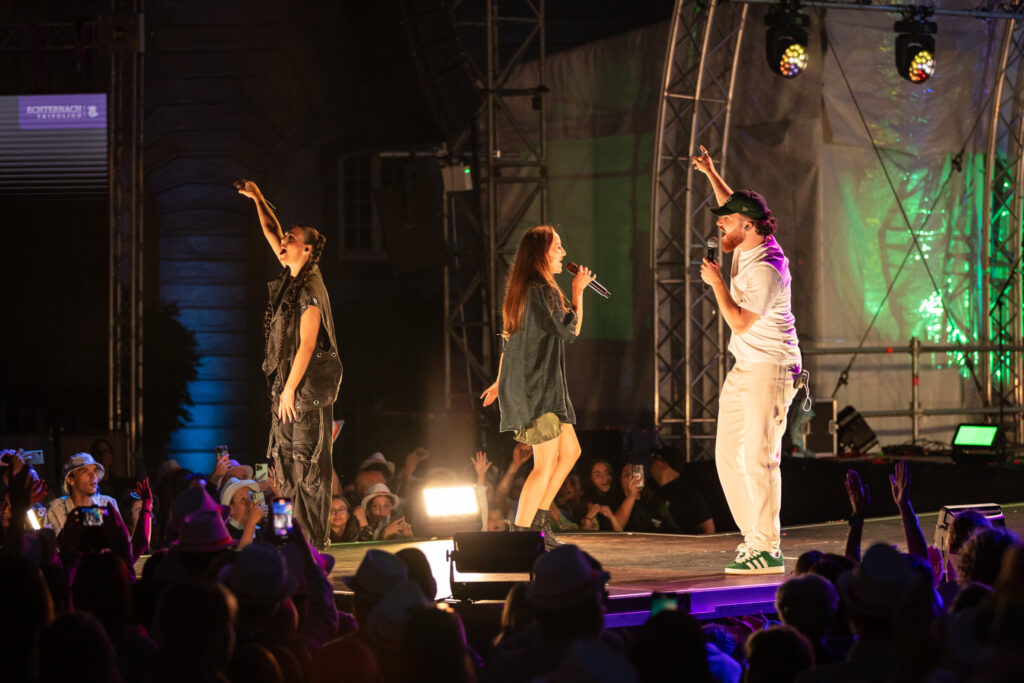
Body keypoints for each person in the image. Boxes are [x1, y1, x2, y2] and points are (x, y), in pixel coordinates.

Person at [692, 145, 801, 574]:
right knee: (726, 456)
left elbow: (738, 321)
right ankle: (754, 538)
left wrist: (717, 282)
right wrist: (711, 171)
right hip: (745, 369)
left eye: (727, 222)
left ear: (749, 227)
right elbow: (728, 201)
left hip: (771, 370)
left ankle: (768, 546)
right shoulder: (745, 240)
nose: (720, 223)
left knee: (759, 456)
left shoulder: (766, 268)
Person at [238, 179, 343, 549]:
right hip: (285, 393)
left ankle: (310, 547)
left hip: (304, 396)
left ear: (308, 249)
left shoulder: (311, 289)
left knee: (308, 473)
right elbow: (271, 230)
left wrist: (289, 390)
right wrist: (258, 198)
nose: (283, 242)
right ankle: (284, 539)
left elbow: (309, 344)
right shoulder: (291, 276)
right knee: (282, 473)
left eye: (292, 239)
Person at [480, 225, 596, 547]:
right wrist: (578, 291)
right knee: (544, 464)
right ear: (542, 252)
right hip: (538, 389)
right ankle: (520, 538)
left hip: (541, 387)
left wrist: (499, 381)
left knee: (571, 452)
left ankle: (539, 525)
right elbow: (570, 331)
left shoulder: (523, 289)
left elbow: (509, 342)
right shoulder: (542, 290)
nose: (563, 253)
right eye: (557, 247)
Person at [46, 453, 121, 535]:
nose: (93, 476)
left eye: (95, 471)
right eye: (85, 471)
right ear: (70, 480)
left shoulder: (107, 503)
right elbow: (52, 545)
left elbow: (122, 541)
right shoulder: (55, 509)